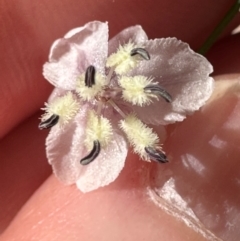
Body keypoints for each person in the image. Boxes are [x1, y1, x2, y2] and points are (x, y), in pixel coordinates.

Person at [0, 0, 239, 240]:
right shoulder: (80, 111)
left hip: (134, 82)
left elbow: (190, 77)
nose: (102, 96)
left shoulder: (86, 60)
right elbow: (82, 169)